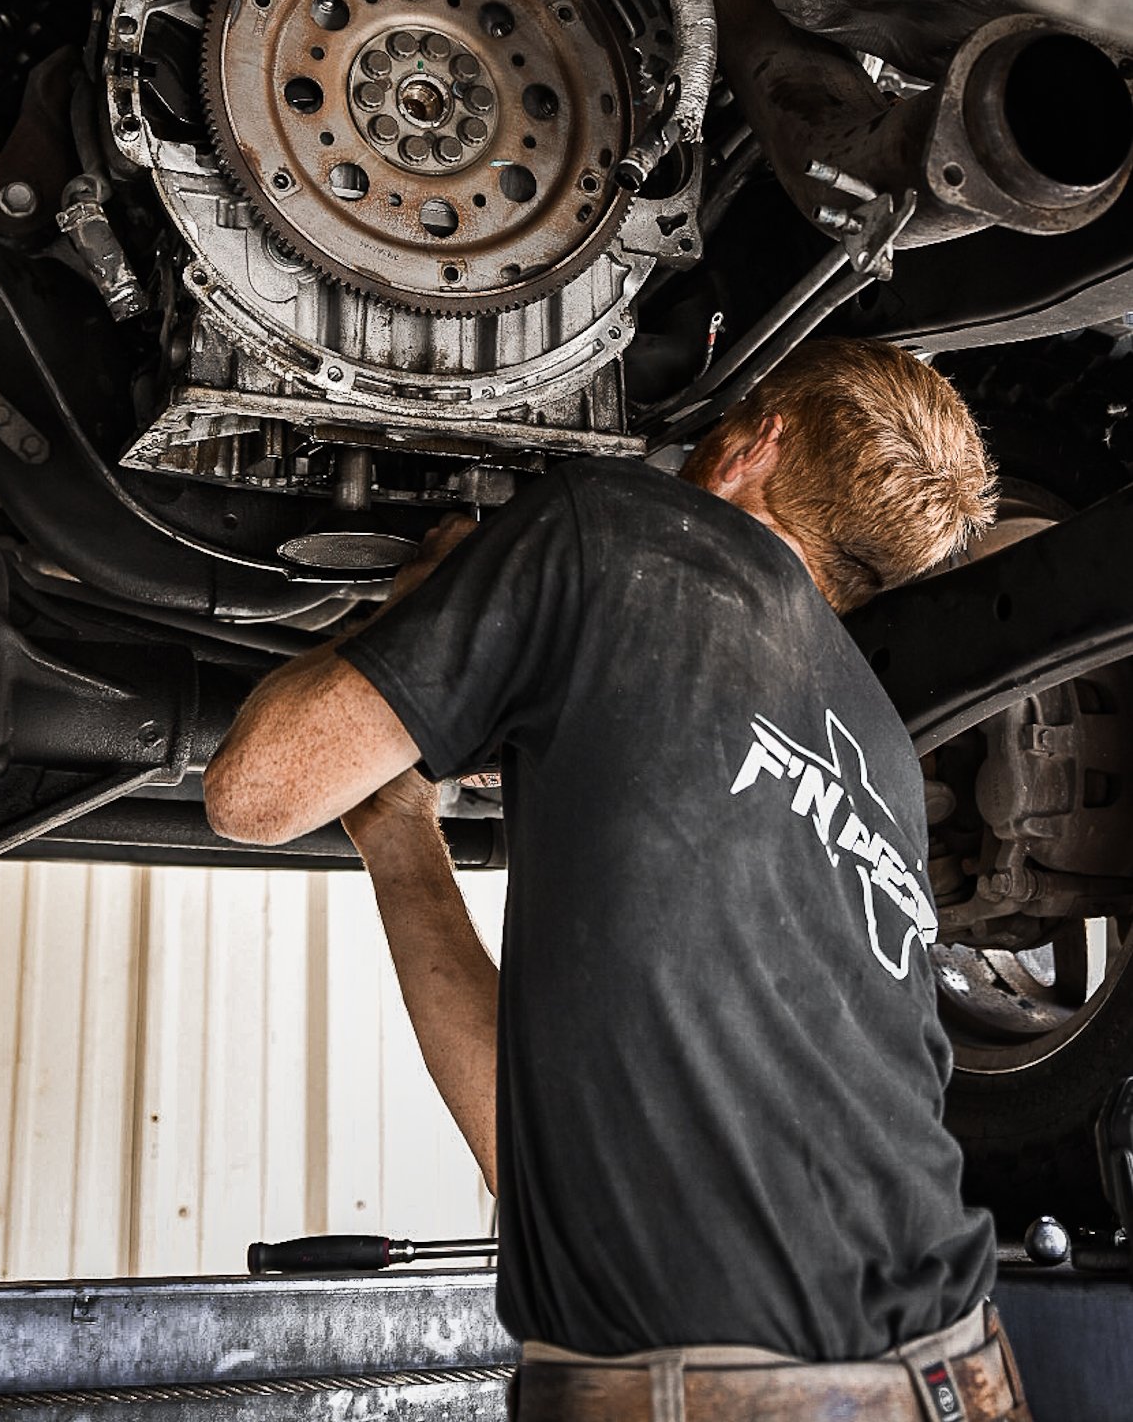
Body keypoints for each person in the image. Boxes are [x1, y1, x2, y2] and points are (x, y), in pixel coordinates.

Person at [204, 339, 1032, 1421]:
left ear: (757, 440)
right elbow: (534, 1161)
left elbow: (255, 790)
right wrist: (399, 834)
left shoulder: (616, 526)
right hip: (960, 1376)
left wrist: (427, 619)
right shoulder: (879, 748)